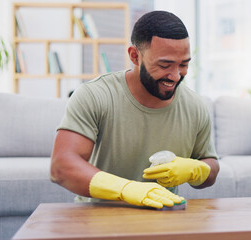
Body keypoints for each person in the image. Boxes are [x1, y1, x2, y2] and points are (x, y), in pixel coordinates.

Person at [51, 11, 219, 209]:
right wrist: (124, 189)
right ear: (134, 56)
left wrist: (197, 170)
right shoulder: (95, 95)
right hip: (99, 215)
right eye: (164, 65)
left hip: (165, 215)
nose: (175, 76)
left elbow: (211, 168)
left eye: (183, 64)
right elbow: (61, 166)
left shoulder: (195, 106)